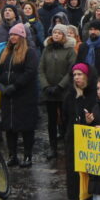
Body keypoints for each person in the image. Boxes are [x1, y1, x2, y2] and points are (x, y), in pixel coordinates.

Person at [0, 24, 40, 168]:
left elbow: (30, 72)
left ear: (22, 37)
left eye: (16, 35)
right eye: (11, 35)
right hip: (7, 96)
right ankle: (12, 156)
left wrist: (14, 86)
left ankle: (27, 156)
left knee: (26, 128)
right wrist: (0, 86)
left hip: (24, 96)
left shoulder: (30, 52)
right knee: (9, 127)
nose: (12, 37)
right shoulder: (4, 52)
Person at [63, 63, 98, 200]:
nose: (77, 77)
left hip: (91, 140)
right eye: (74, 74)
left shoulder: (95, 95)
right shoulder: (71, 95)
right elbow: (66, 116)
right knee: (78, 179)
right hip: (74, 139)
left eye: (80, 74)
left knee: (91, 178)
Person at [39, 25, 77, 160]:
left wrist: (61, 86)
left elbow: (71, 70)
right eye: (54, 32)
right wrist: (45, 86)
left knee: (66, 119)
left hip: (64, 92)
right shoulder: (47, 49)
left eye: (59, 33)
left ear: (64, 35)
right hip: (49, 92)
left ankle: (68, 147)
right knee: (51, 121)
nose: (55, 35)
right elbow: (41, 69)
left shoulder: (70, 50)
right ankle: (52, 147)